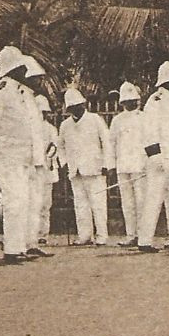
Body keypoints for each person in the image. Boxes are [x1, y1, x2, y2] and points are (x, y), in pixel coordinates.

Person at [0, 48, 38, 263]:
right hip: (5, 155)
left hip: (21, 156)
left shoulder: (20, 91)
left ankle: (20, 245)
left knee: (24, 200)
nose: (25, 70)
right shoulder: (0, 92)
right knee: (15, 199)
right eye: (21, 67)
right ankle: (12, 250)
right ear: (14, 68)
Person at [137, 61, 169, 253]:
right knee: (154, 198)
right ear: (166, 82)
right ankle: (144, 240)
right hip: (159, 158)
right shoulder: (155, 101)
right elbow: (149, 130)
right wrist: (155, 154)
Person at [58, 86, 112, 246]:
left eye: (79, 106)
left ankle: (102, 235)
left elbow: (106, 143)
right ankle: (84, 235)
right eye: (73, 107)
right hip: (76, 170)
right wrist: (64, 163)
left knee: (98, 204)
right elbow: (60, 145)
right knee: (80, 204)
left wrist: (106, 164)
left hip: (94, 169)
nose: (77, 109)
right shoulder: (65, 125)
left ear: (84, 104)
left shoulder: (95, 119)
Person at [107, 82, 147, 247]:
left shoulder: (145, 117)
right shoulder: (117, 121)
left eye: (134, 100)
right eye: (128, 101)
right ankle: (131, 234)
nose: (132, 103)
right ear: (122, 103)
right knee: (128, 203)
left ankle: (144, 235)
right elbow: (111, 144)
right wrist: (111, 166)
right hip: (123, 165)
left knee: (142, 201)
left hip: (141, 165)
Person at [33, 91, 61, 250]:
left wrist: (48, 158)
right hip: (34, 170)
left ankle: (43, 233)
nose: (42, 115)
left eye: (44, 112)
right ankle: (33, 233)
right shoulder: (30, 128)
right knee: (34, 203)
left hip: (47, 169)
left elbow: (54, 145)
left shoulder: (50, 129)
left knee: (45, 203)